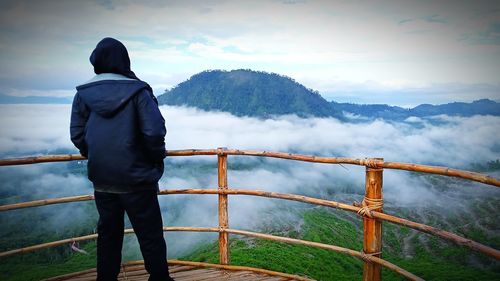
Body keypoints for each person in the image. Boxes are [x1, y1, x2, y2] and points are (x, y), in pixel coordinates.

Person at [70, 37, 174, 281]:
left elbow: (77, 133)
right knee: (149, 234)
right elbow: (154, 132)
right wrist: (154, 159)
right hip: (137, 178)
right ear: (124, 60)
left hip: (103, 178)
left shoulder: (84, 94)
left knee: (108, 233)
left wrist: (95, 154)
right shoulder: (138, 90)